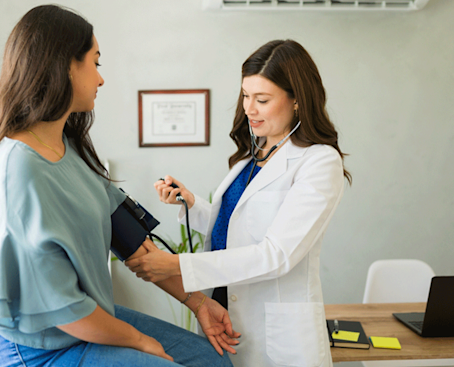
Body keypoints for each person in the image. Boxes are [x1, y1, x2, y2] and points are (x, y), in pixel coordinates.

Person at [0, 5, 235, 367]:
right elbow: (63, 310)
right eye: (95, 63)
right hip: (32, 347)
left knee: (208, 360)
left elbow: (134, 245)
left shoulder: (67, 148)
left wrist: (198, 302)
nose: (101, 79)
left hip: (77, 324)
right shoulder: (17, 172)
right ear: (64, 65)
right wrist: (140, 342)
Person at [126, 39, 351, 367]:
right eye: (246, 95)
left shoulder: (318, 162)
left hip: (276, 335)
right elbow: (237, 227)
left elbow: (277, 254)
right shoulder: (252, 155)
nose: (249, 108)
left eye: (262, 99)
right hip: (222, 312)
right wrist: (193, 205)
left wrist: (177, 265)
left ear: (298, 100)